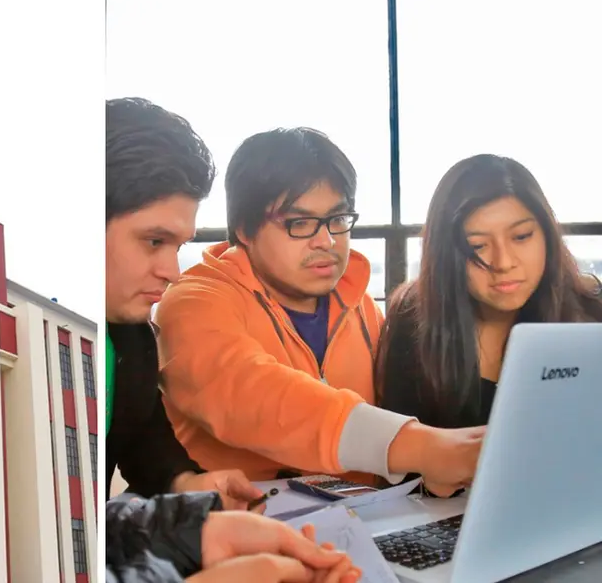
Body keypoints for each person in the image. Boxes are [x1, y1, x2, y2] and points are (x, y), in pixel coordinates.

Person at [105, 99, 360, 583]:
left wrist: (190, 487)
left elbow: (141, 439)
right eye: (153, 241)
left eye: (178, 245)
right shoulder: (191, 302)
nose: (170, 270)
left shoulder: (131, 335)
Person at [154, 127, 484, 493]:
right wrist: (423, 448)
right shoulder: (194, 302)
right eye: (300, 224)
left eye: (338, 220)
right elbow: (256, 396)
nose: (326, 241)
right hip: (241, 533)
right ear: (245, 229)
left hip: (366, 523)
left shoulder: (360, 304)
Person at [375, 153, 602, 433]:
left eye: (521, 237)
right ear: (447, 255)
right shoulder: (412, 321)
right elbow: (401, 463)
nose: (504, 262)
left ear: (547, 234)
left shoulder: (592, 312)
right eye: (478, 246)